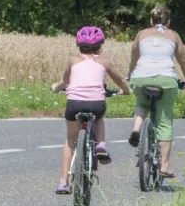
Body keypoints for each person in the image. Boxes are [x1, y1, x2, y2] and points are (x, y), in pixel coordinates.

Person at [51, 27, 131, 194]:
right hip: (96, 103)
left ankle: (63, 182)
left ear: (79, 46)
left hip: (74, 104)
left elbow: (65, 81)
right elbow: (120, 80)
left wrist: (55, 88)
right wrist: (126, 90)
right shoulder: (104, 61)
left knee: (70, 140)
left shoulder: (73, 60)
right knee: (98, 119)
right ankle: (101, 145)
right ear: (100, 47)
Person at [128, 5, 185, 179]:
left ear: (151, 21)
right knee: (164, 121)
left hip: (140, 78)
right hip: (166, 81)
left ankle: (136, 128)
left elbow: (134, 57)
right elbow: (183, 61)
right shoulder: (174, 36)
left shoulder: (141, 34)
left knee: (141, 102)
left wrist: (130, 74)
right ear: (168, 22)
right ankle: (164, 165)